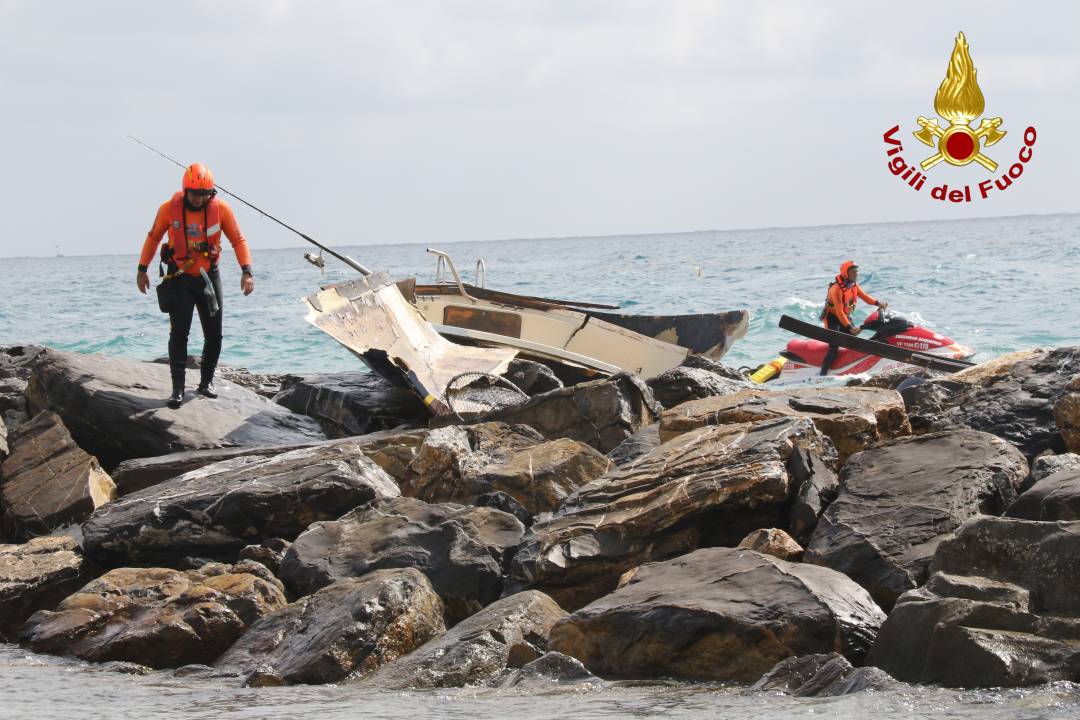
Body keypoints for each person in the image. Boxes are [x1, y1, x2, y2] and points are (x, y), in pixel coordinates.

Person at [136, 163, 254, 408]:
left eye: (205, 194)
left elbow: (238, 240)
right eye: (195, 194)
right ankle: (177, 389)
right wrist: (142, 269)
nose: (200, 199)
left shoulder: (221, 209)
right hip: (179, 278)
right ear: (186, 190)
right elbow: (153, 238)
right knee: (179, 333)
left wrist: (247, 271)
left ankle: (206, 382)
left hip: (208, 277)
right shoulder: (169, 209)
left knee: (214, 333)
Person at [819, 260, 887, 375]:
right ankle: (822, 374)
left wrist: (878, 303)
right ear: (845, 274)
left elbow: (864, 296)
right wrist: (850, 327)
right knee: (834, 348)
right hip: (832, 318)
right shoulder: (836, 289)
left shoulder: (853, 285)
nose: (856, 274)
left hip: (843, 317)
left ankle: (852, 367)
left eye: (857, 272)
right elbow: (839, 311)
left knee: (855, 340)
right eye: (853, 272)